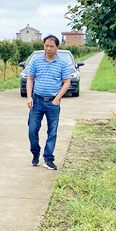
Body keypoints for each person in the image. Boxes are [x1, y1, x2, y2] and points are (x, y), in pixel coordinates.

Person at [26, 35, 71, 171]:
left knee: (52, 131)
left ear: (57, 47)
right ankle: (35, 152)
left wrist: (57, 98)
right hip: (37, 101)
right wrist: (29, 97)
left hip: (53, 103)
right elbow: (30, 79)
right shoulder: (36, 62)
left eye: (51, 46)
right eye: (46, 45)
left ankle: (48, 158)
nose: (48, 48)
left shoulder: (62, 63)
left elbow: (67, 82)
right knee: (32, 129)